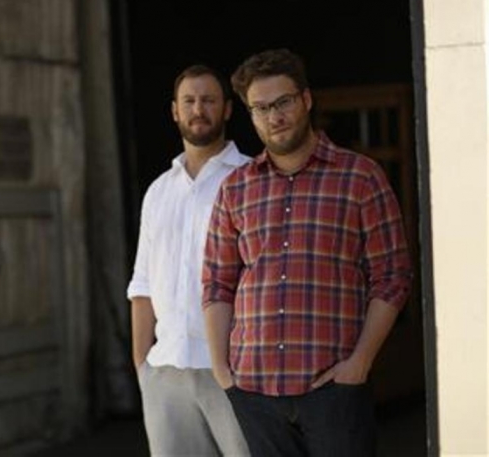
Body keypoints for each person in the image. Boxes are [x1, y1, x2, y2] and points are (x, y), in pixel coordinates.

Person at [202, 48, 413, 457]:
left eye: (282, 102)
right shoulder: (236, 188)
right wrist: (222, 370)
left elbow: (393, 275)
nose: (274, 116)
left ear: (306, 100)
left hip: (333, 389)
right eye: (260, 108)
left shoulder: (360, 177)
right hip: (254, 389)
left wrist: (361, 362)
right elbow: (217, 281)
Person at [127, 64, 250, 456]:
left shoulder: (252, 178)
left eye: (209, 100)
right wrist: (142, 365)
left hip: (236, 370)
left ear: (228, 109)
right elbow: (142, 283)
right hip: (165, 372)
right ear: (175, 111)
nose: (199, 109)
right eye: (190, 101)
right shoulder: (158, 191)